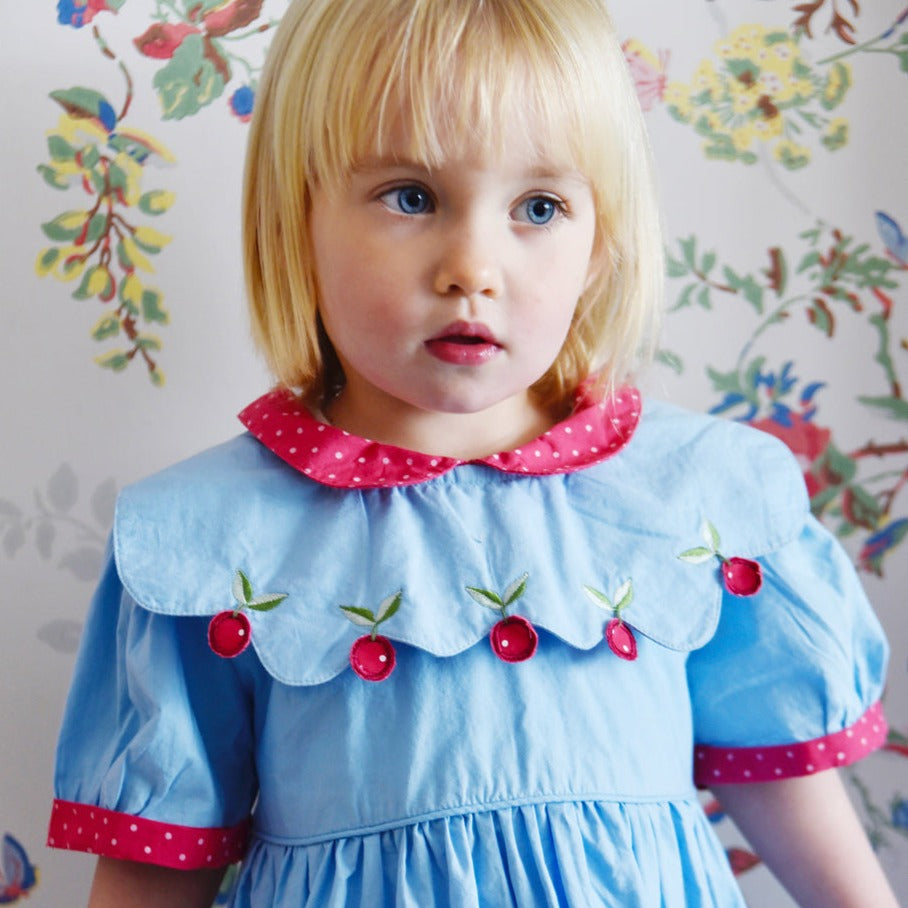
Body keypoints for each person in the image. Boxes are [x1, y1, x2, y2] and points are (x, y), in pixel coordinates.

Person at [47, 0, 897, 905]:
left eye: (539, 206)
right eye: (411, 197)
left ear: (599, 246)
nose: (472, 266)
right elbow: (151, 878)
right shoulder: (212, 544)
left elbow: (789, 793)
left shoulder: (700, 502)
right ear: (300, 218)